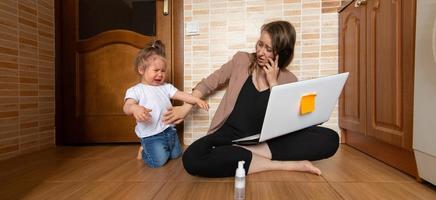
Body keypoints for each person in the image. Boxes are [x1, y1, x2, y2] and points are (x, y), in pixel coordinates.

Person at [163, 21, 339, 177]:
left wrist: (273, 84)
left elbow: (287, 122)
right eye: (260, 44)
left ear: (282, 53)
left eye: (268, 49)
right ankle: (283, 165)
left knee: (330, 138)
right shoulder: (242, 60)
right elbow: (208, 83)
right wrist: (186, 107)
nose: (260, 52)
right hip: (228, 136)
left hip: (264, 141)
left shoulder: (289, 79)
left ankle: (242, 153)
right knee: (192, 158)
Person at [123, 40, 209, 168]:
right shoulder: (136, 90)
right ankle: (144, 151)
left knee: (176, 155)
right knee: (158, 162)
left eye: (163, 71)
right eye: (156, 70)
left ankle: (159, 149)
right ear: (141, 70)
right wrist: (135, 108)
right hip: (151, 135)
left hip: (169, 131)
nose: (160, 74)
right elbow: (127, 107)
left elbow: (181, 94)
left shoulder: (166, 87)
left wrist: (195, 99)